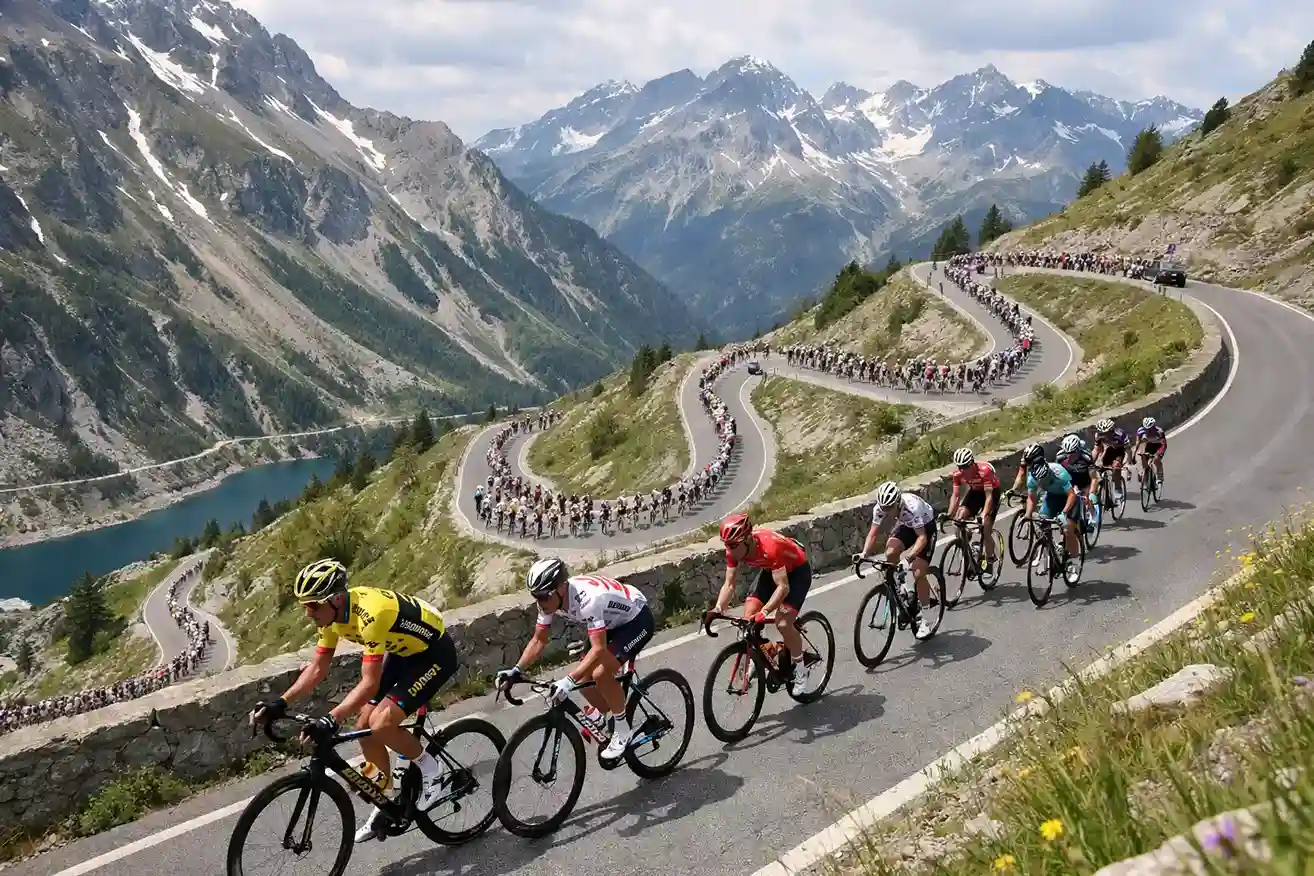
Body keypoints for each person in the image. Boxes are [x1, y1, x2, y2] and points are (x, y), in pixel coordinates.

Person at [249, 559, 457, 843]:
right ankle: (385, 800)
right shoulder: (331, 617)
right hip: (402, 652)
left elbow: (369, 682)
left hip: (433, 654)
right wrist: (280, 703)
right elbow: (317, 669)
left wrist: (331, 718)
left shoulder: (371, 615)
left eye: (312, 605)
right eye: (304, 606)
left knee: (382, 724)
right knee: (363, 725)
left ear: (335, 599)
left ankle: (433, 770)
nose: (308, 613)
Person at [497, 558, 655, 763]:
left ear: (561, 588)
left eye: (544, 596)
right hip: (611, 620)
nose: (540, 602)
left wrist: (567, 680)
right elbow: (539, 639)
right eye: (535, 596)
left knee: (600, 673)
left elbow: (598, 649)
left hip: (636, 619)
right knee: (583, 678)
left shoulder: (588, 600)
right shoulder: (549, 600)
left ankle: (623, 731)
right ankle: (603, 715)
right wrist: (516, 670)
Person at [709, 513, 815, 687]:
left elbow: (783, 587)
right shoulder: (734, 551)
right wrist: (718, 609)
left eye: (734, 545)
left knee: (782, 623)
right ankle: (764, 654)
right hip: (771, 571)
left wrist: (765, 611)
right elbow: (729, 584)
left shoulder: (770, 547)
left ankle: (801, 668)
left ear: (747, 539)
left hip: (797, 573)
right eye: (727, 545)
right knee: (748, 617)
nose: (730, 550)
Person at [1019, 445, 1081, 565]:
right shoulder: (1032, 478)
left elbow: (1072, 494)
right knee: (1042, 524)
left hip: (1068, 497)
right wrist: (1027, 515)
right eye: (1040, 482)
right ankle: (1048, 551)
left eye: (1045, 480)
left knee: (1068, 528)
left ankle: (1074, 561)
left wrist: (1064, 513)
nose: (1042, 483)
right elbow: (1031, 499)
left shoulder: (1058, 472)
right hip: (1052, 497)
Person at [945, 447, 1000, 576]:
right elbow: (956, 496)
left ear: (972, 463)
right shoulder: (957, 474)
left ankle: (990, 559)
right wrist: (949, 514)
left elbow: (989, 497)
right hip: (975, 492)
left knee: (985, 528)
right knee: (959, 518)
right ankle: (970, 553)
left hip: (991, 493)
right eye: (960, 467)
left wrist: (983, 515)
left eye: (965, 467)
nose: (962, 470)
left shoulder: (984, 471)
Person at [1056, 433, 1096, 524]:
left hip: (1084, 478)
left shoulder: (1086, 457)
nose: (1070, 457)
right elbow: (1057, 472)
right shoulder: (1060, 456)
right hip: (1070, 479)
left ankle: (1093, 513)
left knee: (1086, 499)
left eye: (1073, 454)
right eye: (1067, 454)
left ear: (1078, 450)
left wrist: (1092, 493)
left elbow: (1094, 478)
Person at [1091, 418, 1130, 503]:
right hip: (1109, 450)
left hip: (1120, 452)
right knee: (1099, 469)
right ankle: (1101, 488)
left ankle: (1117, 489)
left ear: (1112, 430)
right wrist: (1091, 461)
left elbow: (1128, 450)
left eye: (1107, 433)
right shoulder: (1098, 435)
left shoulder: (1120, 434)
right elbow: (1096, 450)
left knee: (1116, 468)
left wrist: (1126, 462)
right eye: (1103, 433)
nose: (1105, 435)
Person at [1134, 416, 1167, 487]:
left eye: (1150, 429)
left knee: (1156, 459)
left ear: (1153, 426)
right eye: (1146, 428)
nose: (1147, 430)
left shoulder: (1159, 431)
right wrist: (1134, 455)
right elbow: (1137, 444)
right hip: (1148, 446)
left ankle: (1160, 476)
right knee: (1142, 457)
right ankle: (1146, 475)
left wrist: (1159, 453)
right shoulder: (1140, 431)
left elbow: (1164, 444)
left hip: (1158, 446)